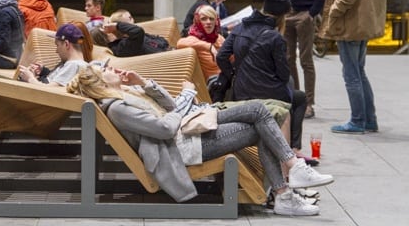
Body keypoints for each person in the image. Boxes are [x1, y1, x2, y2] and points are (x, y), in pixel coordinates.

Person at [66, 64, 334, 215]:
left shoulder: (127, 92)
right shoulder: (118, 108)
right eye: (105, 69)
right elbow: (165, 129)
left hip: (189, 133)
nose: (112, 67)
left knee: (260, 114)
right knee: (259, 120)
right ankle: (289, 182)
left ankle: (287, 185)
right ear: (100, 81)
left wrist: (144, 83)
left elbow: (168, 106)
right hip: (183, 148)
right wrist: (181, 108)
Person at [217, 0, 310, 161]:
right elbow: (282, 74)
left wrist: (234, 75)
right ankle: (293, 149)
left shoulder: (240, 28)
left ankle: (290, 150)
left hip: (241, 92)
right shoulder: (275, 38)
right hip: (269, 95)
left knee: (291, 87)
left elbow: (221, 56)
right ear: (281, 16)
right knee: (299, 98)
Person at [320, 0, 387, 134]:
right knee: (360, 71)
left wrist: (332, 14)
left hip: (350, 24)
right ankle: (370, 120)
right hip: (366, 22)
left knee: (351, 74)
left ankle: (357, 121)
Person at [91, 9, 170, 57]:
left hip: (168, 52)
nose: (108, 26)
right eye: (105, 28)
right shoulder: (120, 47)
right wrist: (117, 25)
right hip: (167, 58)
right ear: (106, 36)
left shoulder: (126, 40)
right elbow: (138, 32)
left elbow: (161, 40)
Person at [177, 5, 225, 82]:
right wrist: (209, 46)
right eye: (204, 19)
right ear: (198, 21)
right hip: (209, 86)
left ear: (216, 21)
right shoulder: (194, 38)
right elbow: (180, 43)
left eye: (211, 19)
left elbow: (232, 58)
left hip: (225, 80)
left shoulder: (219, 38)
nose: (208, 22)